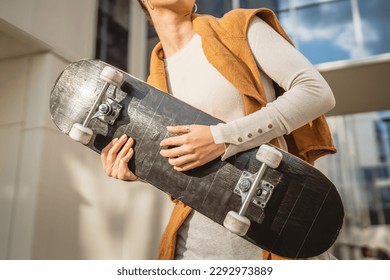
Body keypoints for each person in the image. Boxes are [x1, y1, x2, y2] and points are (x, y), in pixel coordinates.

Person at [101, 0, 337, 260]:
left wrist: (223, 138)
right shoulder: (152, 85)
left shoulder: (238, 28)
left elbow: (316, 92)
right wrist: (139, 169)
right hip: (193, 247)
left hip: (275, 231)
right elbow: (180, 161)